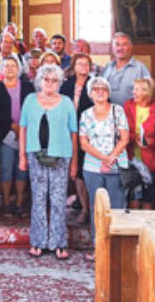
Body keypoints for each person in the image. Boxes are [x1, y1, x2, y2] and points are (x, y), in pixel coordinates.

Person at [19, 64, 78, 260]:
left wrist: (75, 161)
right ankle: (38, 241)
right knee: (38, 199)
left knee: (58, 199)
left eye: (54, 80)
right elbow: (23, 128)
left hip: (61, 155)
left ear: (59, 83)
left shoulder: (67, 102)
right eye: (46, 79)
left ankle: (59, 242)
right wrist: (21, 155)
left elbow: (74, 133)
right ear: (40, 81)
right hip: (35, 154)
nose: (50, 83)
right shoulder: (30, 100)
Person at [79, 76, 130, 234]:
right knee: (97, 206)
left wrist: (110, 158)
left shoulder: (118, 110)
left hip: (117, 165)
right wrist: (103, 158)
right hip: (92, 167)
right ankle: (98, 246)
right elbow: (84, 143)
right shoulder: (86, 115)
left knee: (117, 206)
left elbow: (125, 138)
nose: (100, 92)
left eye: (103, 89)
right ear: (90, 94)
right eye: (96, 89)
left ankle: (117, 247)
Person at [0, 56, 34, 217]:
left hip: (27, 134)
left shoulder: (28, 87)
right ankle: (7, 203)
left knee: (22, 169)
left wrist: (22, 127)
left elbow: (33, 108)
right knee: (6, 169)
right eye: (6, 66)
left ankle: (20, 203)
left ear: (18, 68)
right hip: (5, 135)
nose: (9, 68)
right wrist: (12, 126)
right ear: (2, 69)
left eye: (12, 65)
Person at [60, 53, 95, 222]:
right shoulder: (67, 86)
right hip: (67, 132)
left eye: (86, 64)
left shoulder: (95, 85)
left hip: (88, 133)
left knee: (83, 171)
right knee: (71, 170)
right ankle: (79, 204)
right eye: (80, 64)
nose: (83, 67)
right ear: (74, 66)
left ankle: (87, 210)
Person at [123, 77, 155, 209]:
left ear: (147, 92)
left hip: (150, 160)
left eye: (138, 90)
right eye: (134, 89)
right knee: (134, 196)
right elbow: (122, 130)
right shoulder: (128, 106)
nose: (134, 92)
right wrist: (135, 139)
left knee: (149, 198)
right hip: (132, 158)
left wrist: (151, 141)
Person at [102, 32, 151, 106]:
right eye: (117, 44)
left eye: (124, 44)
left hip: (131, 115)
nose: (120, 48)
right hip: (109, 114)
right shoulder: (108, 67)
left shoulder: (140, 68)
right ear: (112, 47)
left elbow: (149, 94)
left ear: (131, 47)